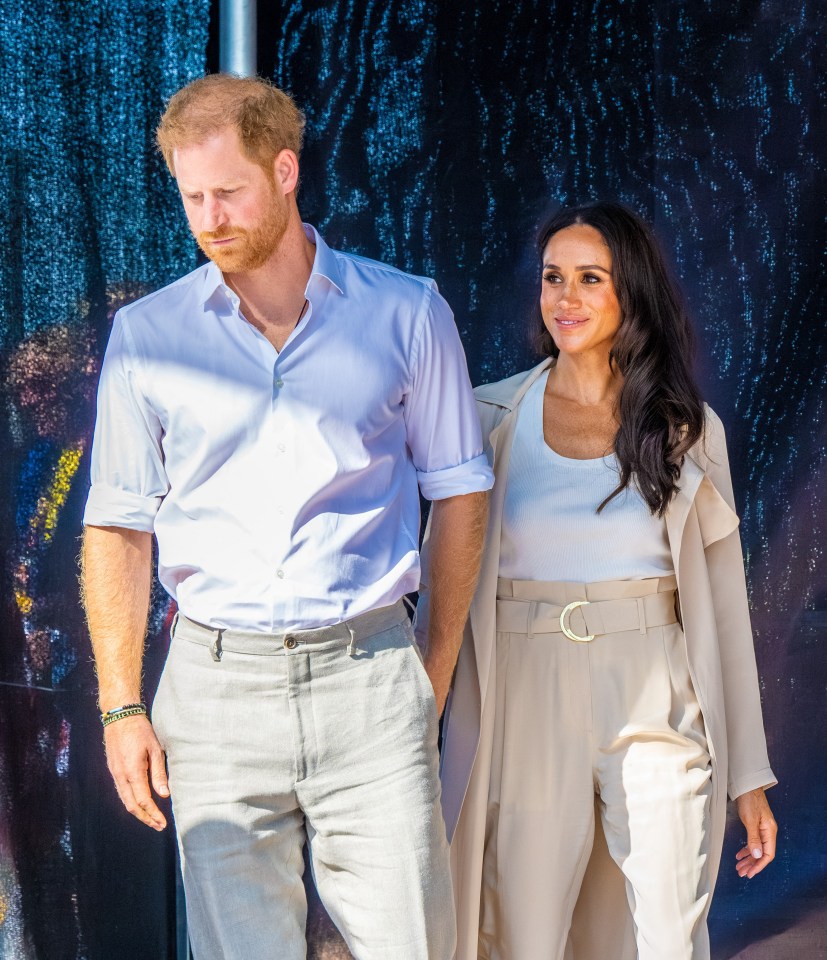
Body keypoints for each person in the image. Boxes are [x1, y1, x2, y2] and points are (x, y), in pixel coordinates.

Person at [80, 73, 492, 960]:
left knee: (412, 946)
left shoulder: (405, 310)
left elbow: (459, 491)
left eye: (227, 191)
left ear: (285, 170)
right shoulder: (147, 335)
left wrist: (433, 670)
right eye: (192, 197)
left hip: (370, 678)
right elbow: (116, 526)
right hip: (216, 688)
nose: (209, 218)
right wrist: (120, 706)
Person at [417, 201, 777, 960]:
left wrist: (747, 772)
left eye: (589, 279)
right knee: (521, 930)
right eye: (552, 279)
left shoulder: (686, 428)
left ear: (630, 294)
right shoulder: (486, 417)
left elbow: (722, 607)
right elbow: (442, 583)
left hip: (654, 694)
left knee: (669, 927)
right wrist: (420, 715)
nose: (565, 299)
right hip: (521, 690)